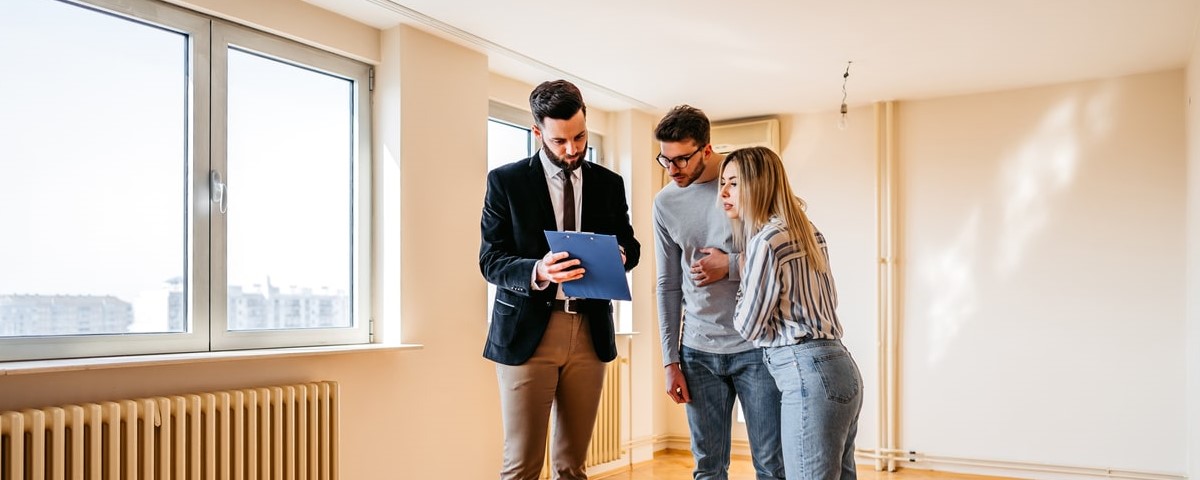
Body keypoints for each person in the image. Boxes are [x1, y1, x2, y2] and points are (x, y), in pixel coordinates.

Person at [479, 79, 640, 480]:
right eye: (560, 140)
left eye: (580, 137)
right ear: (537, 132)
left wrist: (622, 255)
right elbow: (490, 260)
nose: (572, 149)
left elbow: (631, 245)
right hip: (527, 334)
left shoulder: (609, 184)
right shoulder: (506, 182)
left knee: (572, 466)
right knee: (521, 467)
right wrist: (539, 269)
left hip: (591, 331)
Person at [653, 106, 784, 480]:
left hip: (756, 348)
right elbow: (667, 285)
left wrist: (729, 265)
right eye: (665, 158)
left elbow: (784, 255)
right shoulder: (664, 203)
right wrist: (669, 361)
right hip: (697, 353)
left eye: (681, 159)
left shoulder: (747, 182)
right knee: (708, 469)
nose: (672, 168)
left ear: (706, 151)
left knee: (772, 467)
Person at [719, 146, 863, 480]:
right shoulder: (810, 232)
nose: (724, 192)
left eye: (734, 183)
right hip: (841, 367)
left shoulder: (766, 240)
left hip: (806, 375)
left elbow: (749, 326)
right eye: (723, 183)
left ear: (759, 184)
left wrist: (742, 270)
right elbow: (829, 301)